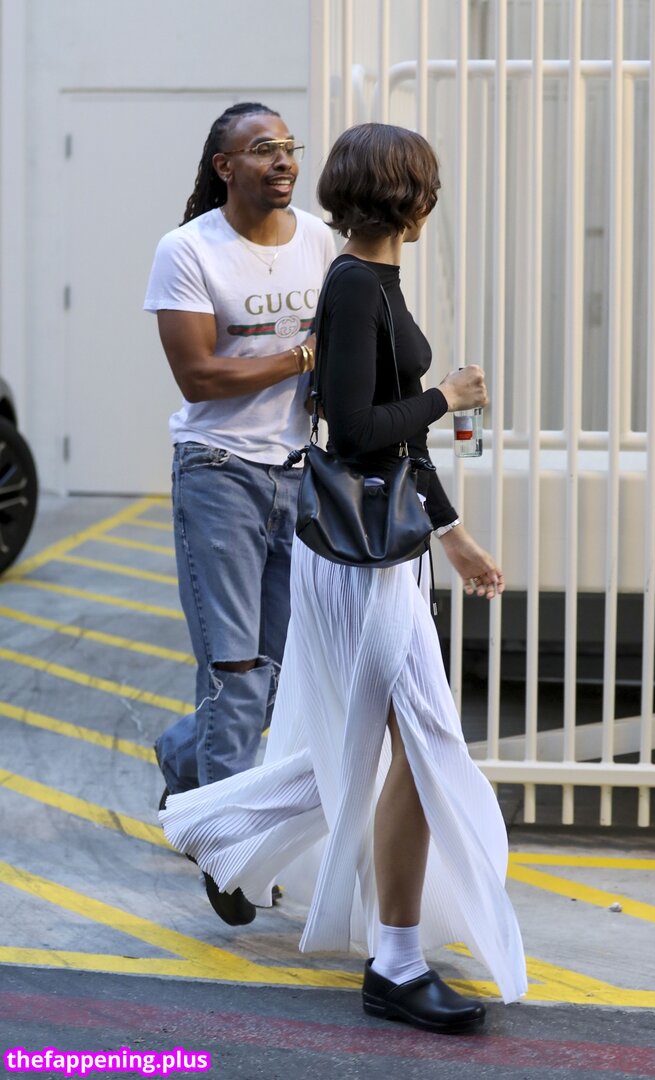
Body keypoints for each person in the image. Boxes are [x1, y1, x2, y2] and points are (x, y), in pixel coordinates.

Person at [160, 122, 527, 1033]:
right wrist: (449, 395)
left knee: (366, 749)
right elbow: (360, 430)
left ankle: (214, 827)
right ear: (414, 198)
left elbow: (396, 443)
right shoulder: (358, 284)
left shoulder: (370, 279)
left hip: (382, 558)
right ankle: (394, 964)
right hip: (362, 569)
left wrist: (453, 535)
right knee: (423, 746)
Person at [144, 102, 336, 924]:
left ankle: (182, 757)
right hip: (218, 472)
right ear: (225, 166)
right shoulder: (188, 250)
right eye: (263, 149)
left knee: (276, 672)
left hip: (297, 474)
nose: (283, 160)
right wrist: (302, 355)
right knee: (235, 672)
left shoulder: (320, 240)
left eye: (288, 147)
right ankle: (229, 852)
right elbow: (199, 376)